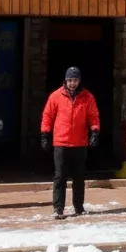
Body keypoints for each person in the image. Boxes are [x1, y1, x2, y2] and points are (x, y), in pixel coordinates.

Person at [41, 67, 101, 220]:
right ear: (65, 81)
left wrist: (95, 131)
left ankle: (79, 207)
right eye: (70, 80)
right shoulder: (56, 96)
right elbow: (47, 116)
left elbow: (93, 115)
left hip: (79, 143)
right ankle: (58, 209)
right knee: (60, 177)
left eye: (75, 80)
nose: (72, 83)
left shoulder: (87, 97)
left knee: (79, 177)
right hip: (61, 142)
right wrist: (45, 134)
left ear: (79, 81)